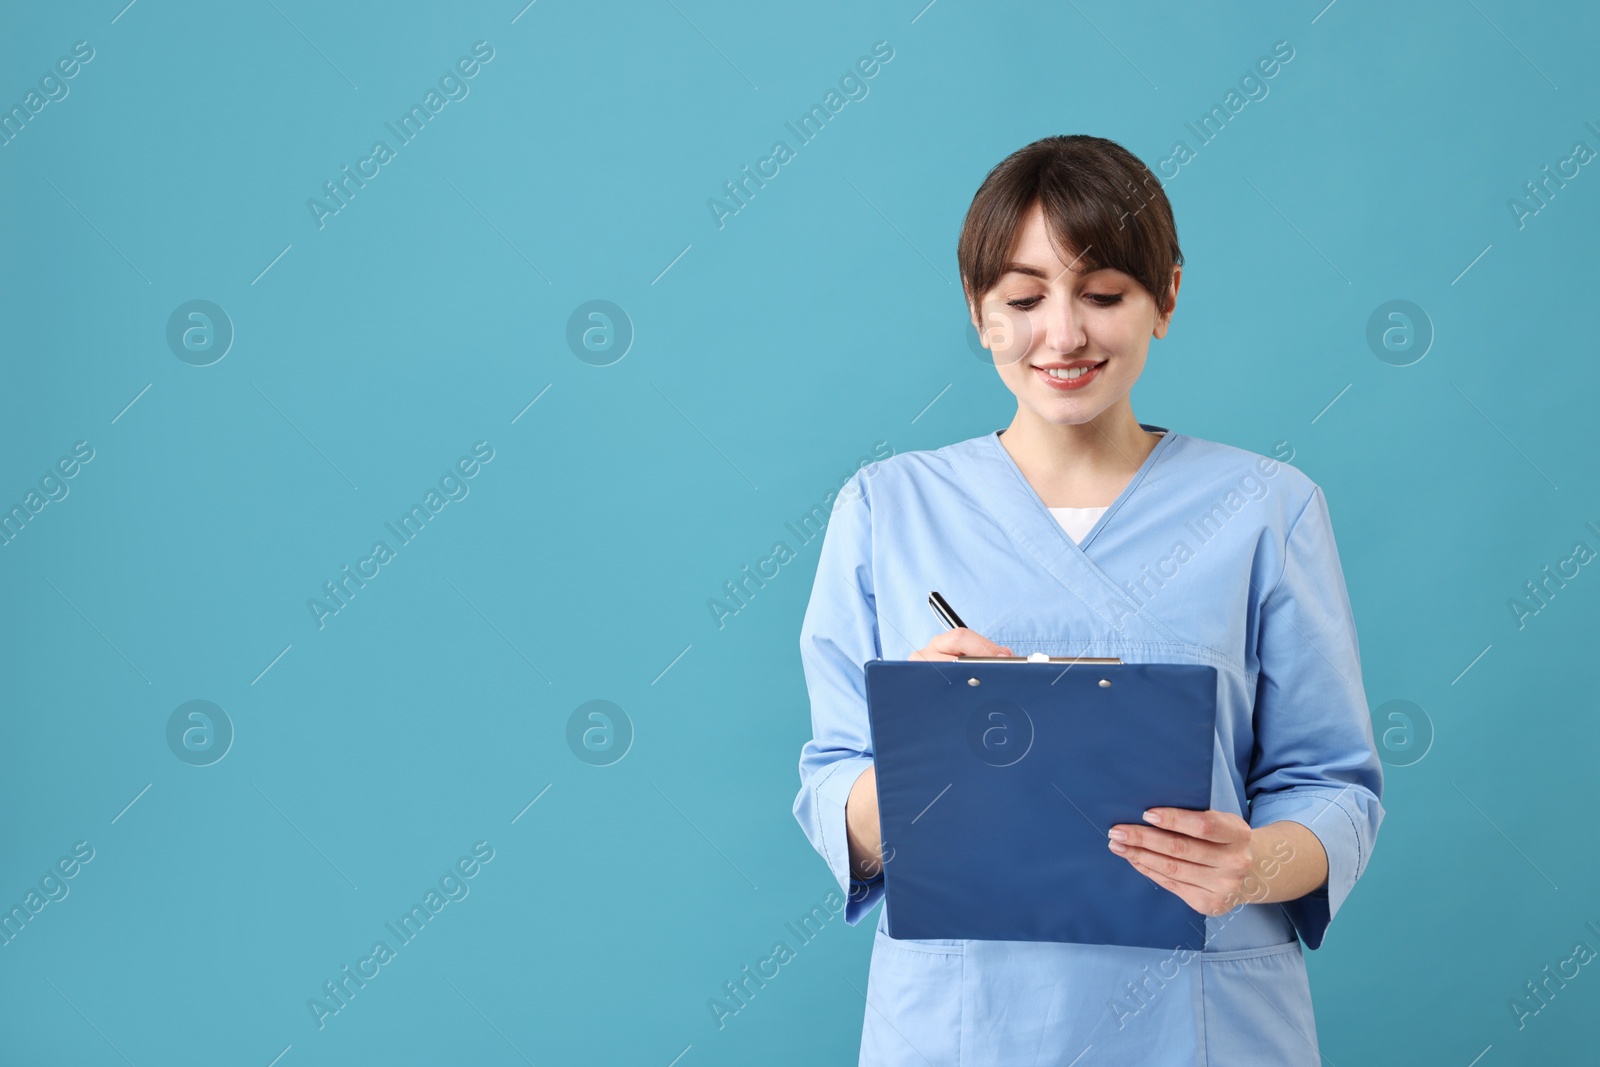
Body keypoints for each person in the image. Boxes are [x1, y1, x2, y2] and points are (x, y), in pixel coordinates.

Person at [791, 134, 1385, 1065]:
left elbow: (1332, 786)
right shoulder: (884, 509)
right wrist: (920, 749)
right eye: (1024, 300)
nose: (1063, 335)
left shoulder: (1267, 508)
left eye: (1103, 294)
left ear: (1168, 298)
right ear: (978, 313)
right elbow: (832, 780)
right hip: (964, 1024)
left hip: (1203, 1022)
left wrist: (1253, 863)